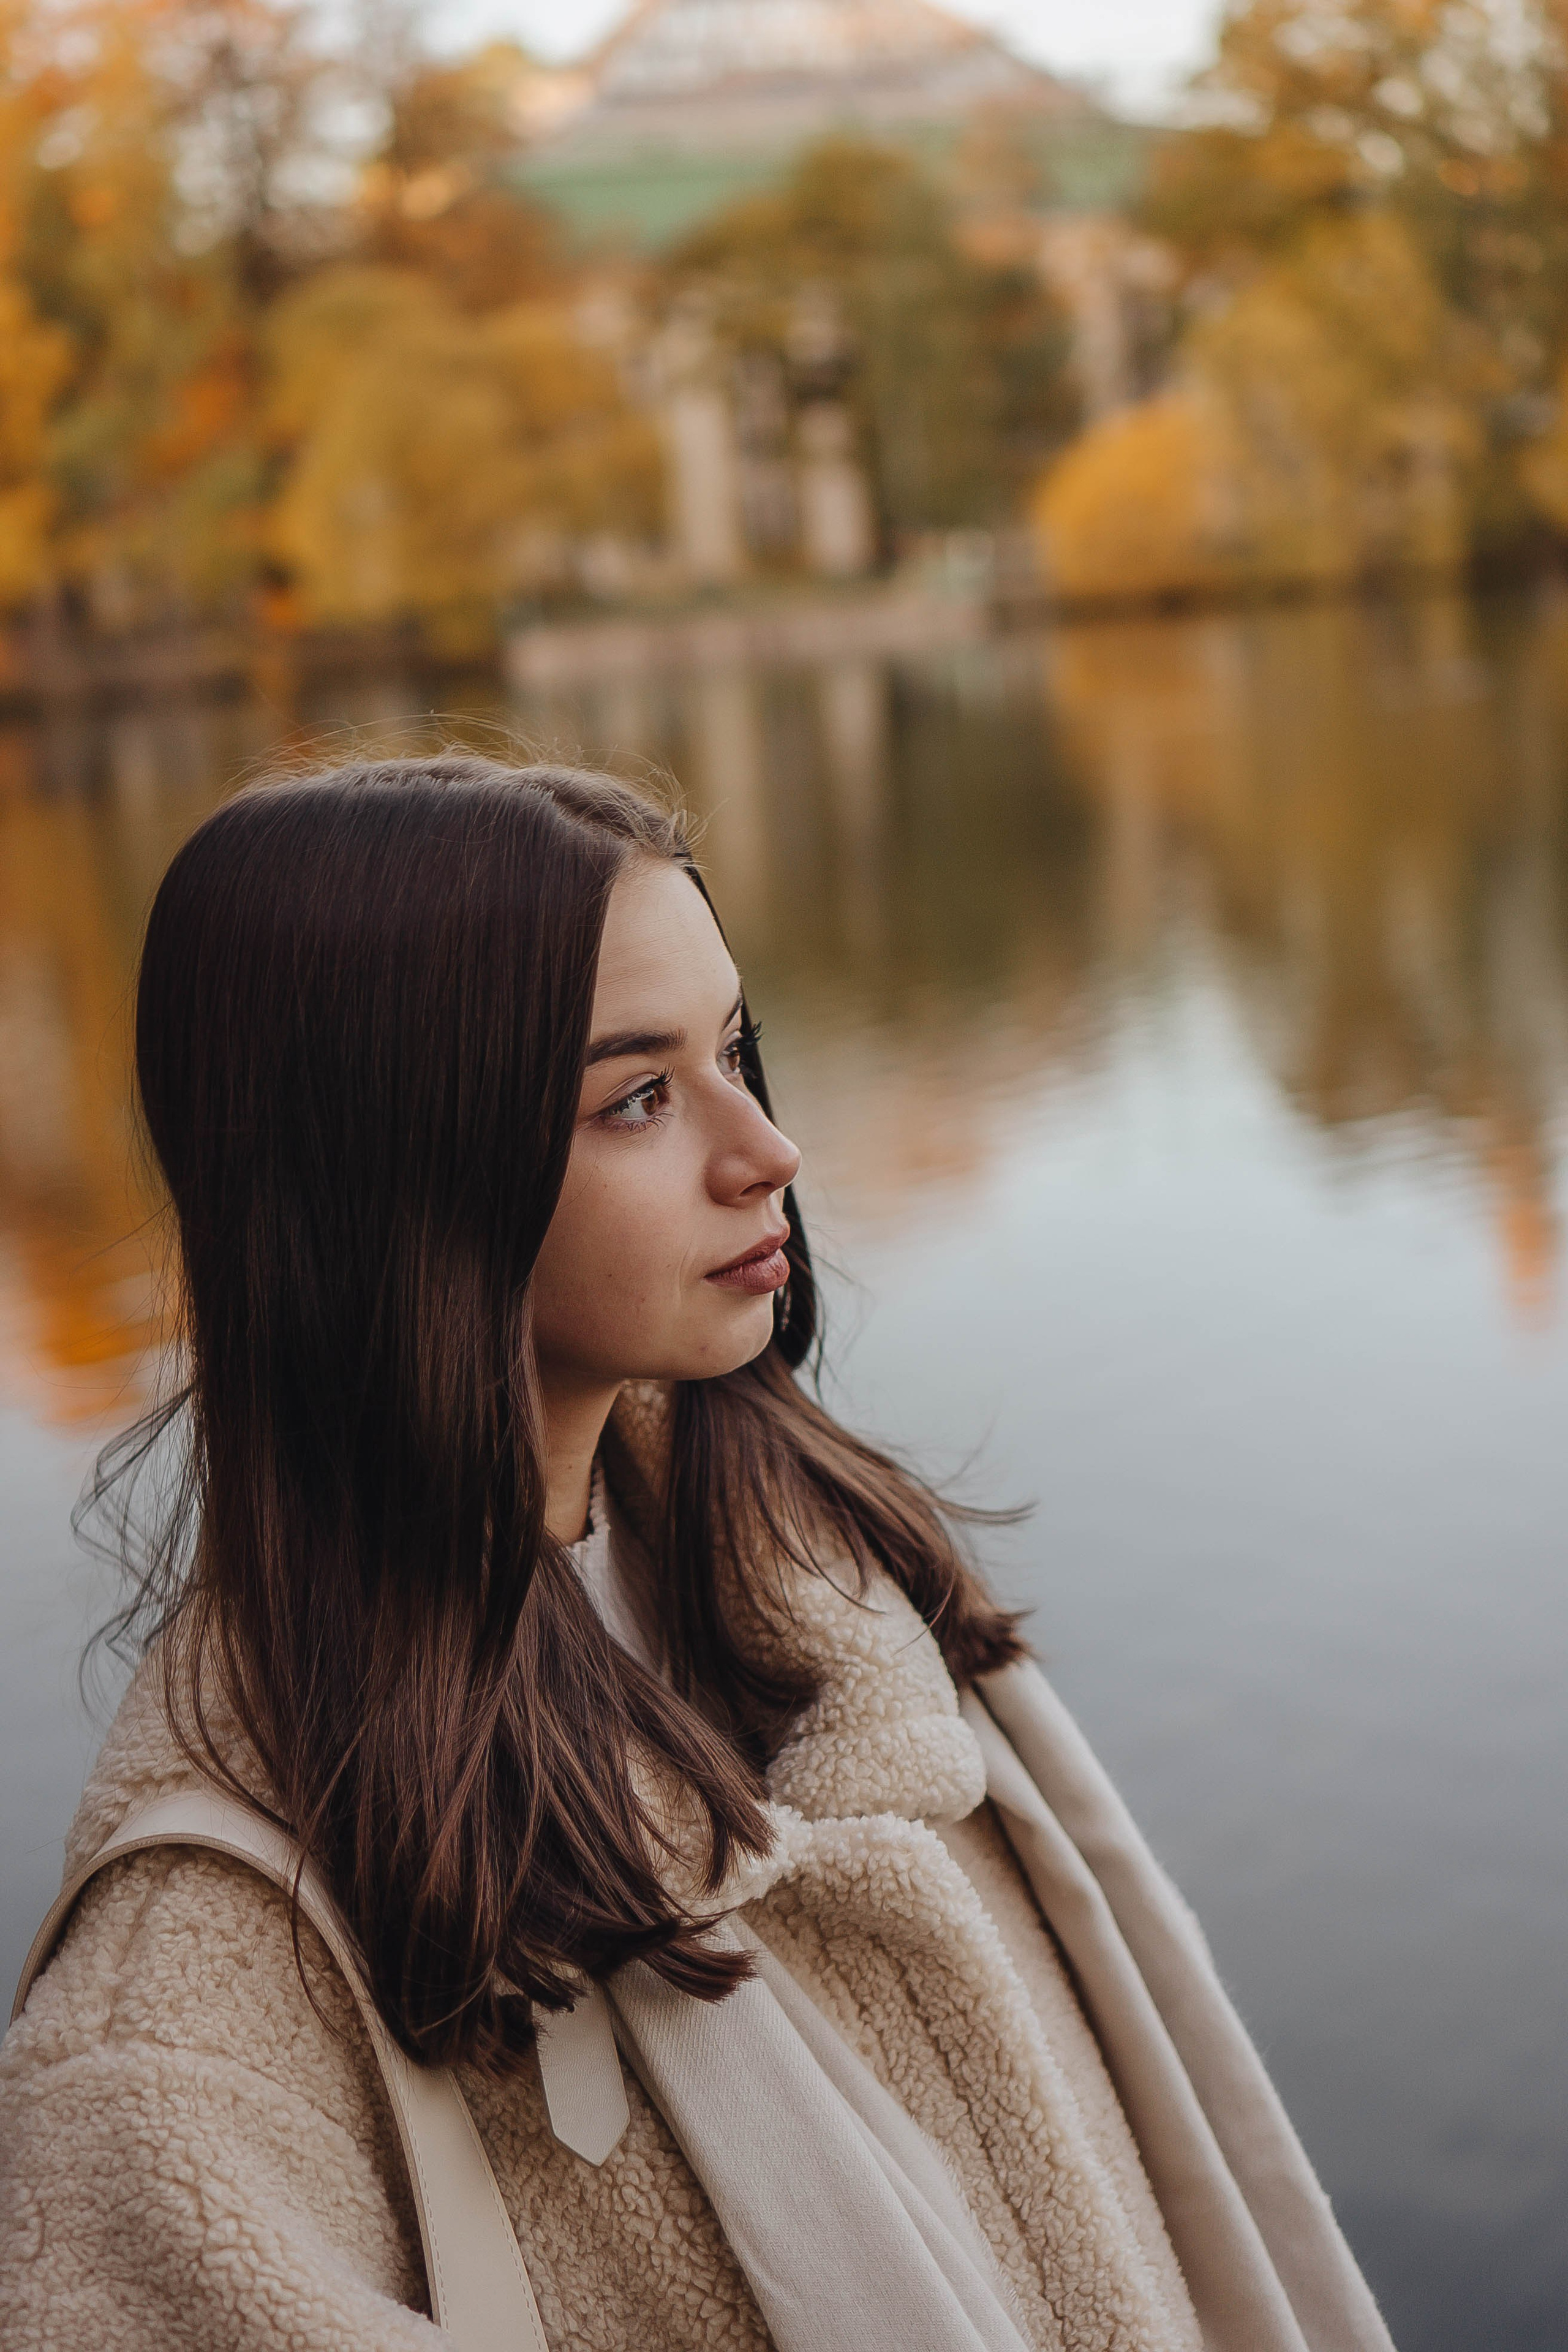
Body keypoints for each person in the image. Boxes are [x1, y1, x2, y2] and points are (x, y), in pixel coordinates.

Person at [0, 756, 1394, 2352]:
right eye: (638, 1097)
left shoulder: (823, 1598)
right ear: (394, 1179)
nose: (767, 1150)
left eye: (733, 1050)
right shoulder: (187, 2039)